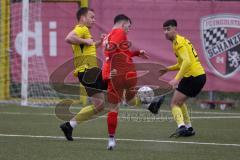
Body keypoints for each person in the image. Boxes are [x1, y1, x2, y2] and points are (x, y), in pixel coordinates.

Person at [102, 14, 151, 150]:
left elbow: (116, 52)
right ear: (123, 24)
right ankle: (147, 103)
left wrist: (136, 53)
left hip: (115, 75)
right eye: (128, 27)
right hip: (127, 73)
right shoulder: (119, 32)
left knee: (113, 108)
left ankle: (111, 140)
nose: (128, 30)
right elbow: (111, 51)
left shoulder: (108, 35)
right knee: (129, 100)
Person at [59, 7, 108, 141]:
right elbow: (68, 38)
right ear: (83, 18)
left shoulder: (85, 32)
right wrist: (85, 41)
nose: (94, 20)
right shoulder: (82, 28)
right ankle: (148, 103)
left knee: (99, 105)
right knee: (117, 82)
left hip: (86, 73)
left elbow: (89, 46)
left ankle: (69, 125)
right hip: (89, 71)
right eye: (91, 17)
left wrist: (99, 42)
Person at [161, 19, 206, 137]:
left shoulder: (178, 42)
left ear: (175, 29)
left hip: (193, 76)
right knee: (179, 102)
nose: (166, 32)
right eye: (164, 30)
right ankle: (188, 128)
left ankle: (181, 127)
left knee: (174, 104)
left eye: (168, 29)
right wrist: (167, 69)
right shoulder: (179, 41)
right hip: (197, 76)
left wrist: (176, 79)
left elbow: (186, 62)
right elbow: (182, 64)